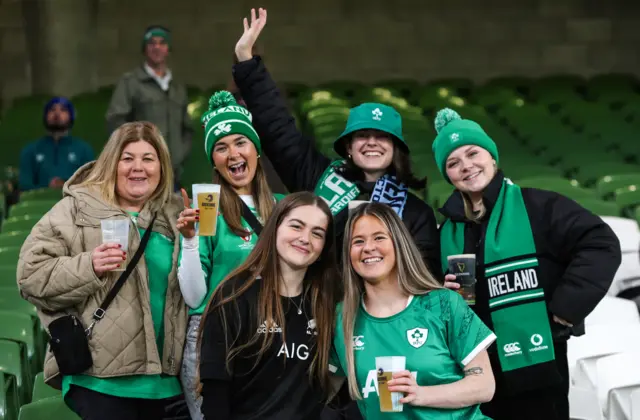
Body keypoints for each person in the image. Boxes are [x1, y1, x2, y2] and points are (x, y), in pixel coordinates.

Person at [432, 108, 622, 420]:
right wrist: (441, 290)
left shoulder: (539, 205)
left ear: (492, 157)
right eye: (453, 162)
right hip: (473, 372)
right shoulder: (446, 230)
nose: (466, 166)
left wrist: (564, 309)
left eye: (472, 153)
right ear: (447, 174)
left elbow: (600, 243)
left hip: (538, 367)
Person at [231, 8, 441, 275]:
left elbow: (426, 282)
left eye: (382, 137)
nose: (372, 143)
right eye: (362, 136)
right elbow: (278, 128)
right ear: (349, 148)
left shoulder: (416, 213)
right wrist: (246, 61)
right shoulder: (318, 177)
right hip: (324, 313)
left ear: (396, 150)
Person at [17, 121, 188, 420]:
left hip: (170, 387)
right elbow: (30, 275)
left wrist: (197, 240)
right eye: (127, 158)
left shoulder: (175, 215)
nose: (138, 167)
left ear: (162, 168)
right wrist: (89, 265)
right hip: (99, 383)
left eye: (148, 159)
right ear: (111, 163)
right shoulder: (77, 209)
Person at [329, 202, 496, 420]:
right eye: (358, 241)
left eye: (379, 237)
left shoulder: (443, 303)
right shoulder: (342, 318)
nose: (368, 247)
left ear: (399, 245)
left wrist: (420, 394)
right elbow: (321, 390)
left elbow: (484, 385)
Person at [175, 90, 285, 419]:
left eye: (241, 142)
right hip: (213, 336)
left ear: (256, 149)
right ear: (214, 160)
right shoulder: (206, 209)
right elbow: (195, 297)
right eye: (221, 148)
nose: (232, 154)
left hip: (270, 332)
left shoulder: (282, 208)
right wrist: (191, 242)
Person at [196, 191, 340, 419]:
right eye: (296, 226)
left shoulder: (327, 303)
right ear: (275, 228)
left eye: (317, 233)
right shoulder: (234, 294)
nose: (305, 238)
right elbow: (215, 393)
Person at [106, 25, 192, 190]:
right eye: (152, 43)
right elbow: (115, 121)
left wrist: (179, 156)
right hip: (140, 173)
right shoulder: (130, 82)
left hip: (172, 173)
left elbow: (186, 128)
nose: (157, 47)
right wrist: (132, 157)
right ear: (144, 49)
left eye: (162, 43)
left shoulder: (177, 86)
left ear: (168, 49)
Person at [19, 96, 94, 191]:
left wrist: (65, 185)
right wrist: (47, 188)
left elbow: (89, 184)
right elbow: (25, 185)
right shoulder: (30, 150)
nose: (57, 113)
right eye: (52, 109)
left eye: (63, 110)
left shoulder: (84, 150)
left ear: (71, 116)